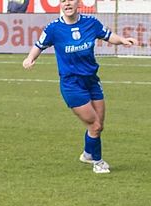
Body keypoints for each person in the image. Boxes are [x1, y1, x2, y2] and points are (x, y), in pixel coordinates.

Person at [22, 0, 137, 174]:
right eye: (63, 1)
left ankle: (88, 154)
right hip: (72, 84)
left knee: (99, 125)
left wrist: (122, 40)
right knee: (95, 125)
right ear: (60, 5)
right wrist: (30, 58)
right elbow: (39, 45)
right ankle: (98, 162)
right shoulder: (54, 28)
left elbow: (107, 35)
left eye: (70, 0)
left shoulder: (91, 23)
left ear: (78, 3)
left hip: (92, 81)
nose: (67, 3)